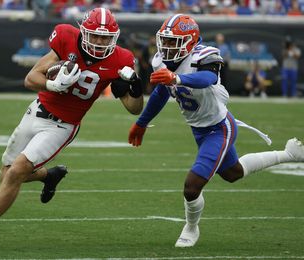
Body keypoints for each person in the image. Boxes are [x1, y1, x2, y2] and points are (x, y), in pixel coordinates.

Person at [0, 7, 143, 249]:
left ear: (114, 37)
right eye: (95, 35)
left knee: (16, 171)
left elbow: (133, 108)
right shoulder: (65, 37)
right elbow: (31, 79)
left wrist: (135, 89)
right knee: (7, 173)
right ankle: (49, 175)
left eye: (106, 37)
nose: (101, 42)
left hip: (63, 125)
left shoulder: (121, 59)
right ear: (83, 32)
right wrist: (53, 84)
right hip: (37, 110)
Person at [128, 14, 304, 248]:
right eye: (165, 41)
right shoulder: (161, 60)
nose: (167, 47)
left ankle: (191, 228)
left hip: (219, 128)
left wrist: (177, 77)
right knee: (233, 173)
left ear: (190, 41)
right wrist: (142, 122)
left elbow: (207, 78)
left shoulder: (203, 55)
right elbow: (161, 92)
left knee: (192, 186)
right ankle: (288, 155)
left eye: (173, 42)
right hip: (199, 129)